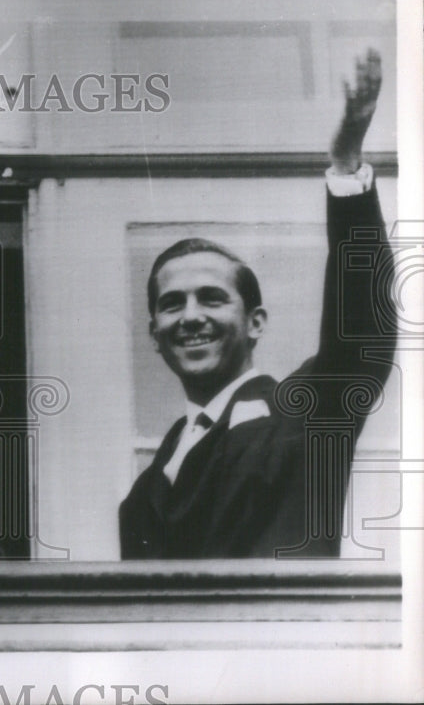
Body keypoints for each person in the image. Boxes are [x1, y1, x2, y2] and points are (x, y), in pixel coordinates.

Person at [119, 49, 396, 559]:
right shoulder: (149, 485)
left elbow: (363, 335)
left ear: (255, 322)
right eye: (172, 304)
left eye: (212, 298)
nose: (192, 316)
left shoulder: (302, 413)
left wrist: (346, 170)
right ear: (154, 332)